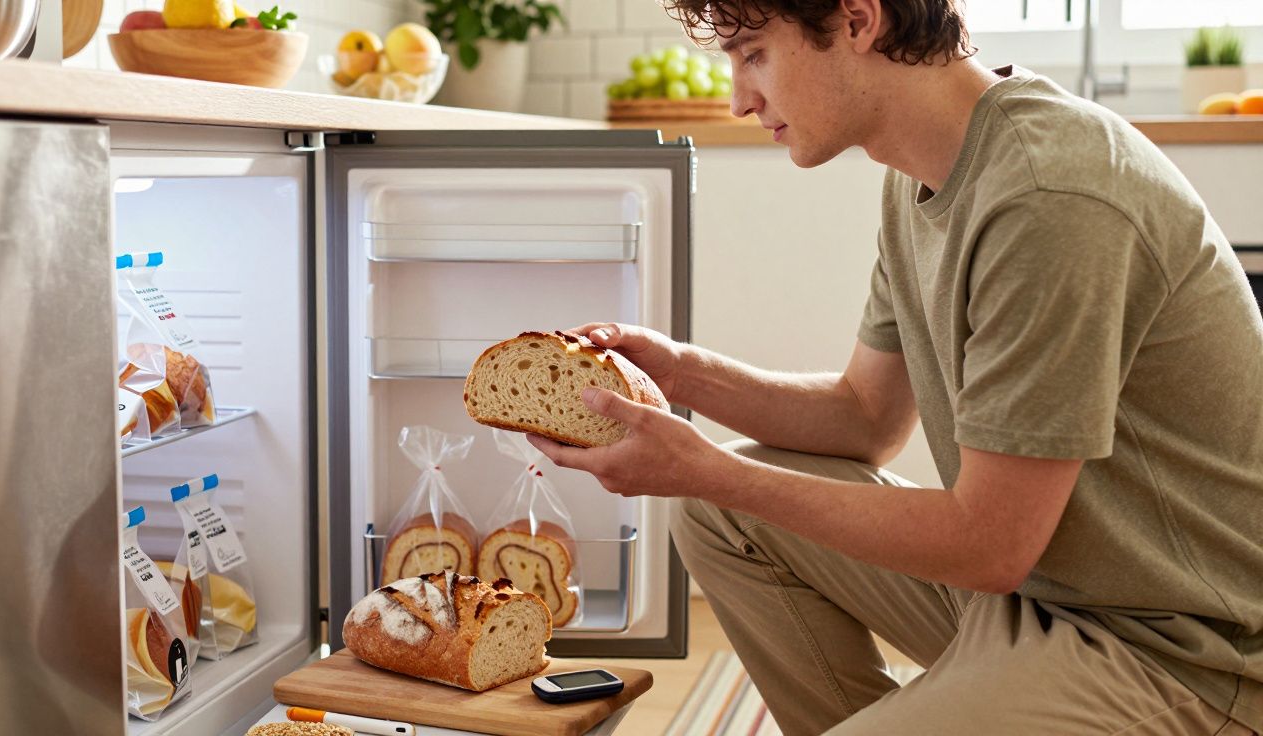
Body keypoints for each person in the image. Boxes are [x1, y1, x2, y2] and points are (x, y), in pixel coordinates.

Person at [526, 0, 1263, 734]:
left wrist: (702, 466)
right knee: (718, 514)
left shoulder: (1048, 193)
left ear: (856, 20)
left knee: (718, 486)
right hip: (1045, 600)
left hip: (1183, 652)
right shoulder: (919, 172)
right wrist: (684, 375)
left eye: (754, 54)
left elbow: (991, 544)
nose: (738, 99)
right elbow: (864, 418)